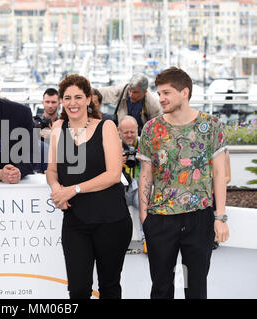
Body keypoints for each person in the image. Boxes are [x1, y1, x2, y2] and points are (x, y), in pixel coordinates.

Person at [137, 67, 229, 299]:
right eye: (159, 93)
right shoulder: (151, 129)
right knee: (161, 288)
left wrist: (220, 217)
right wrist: (144, 216)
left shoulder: (212, 126)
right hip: (160, 219)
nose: (161, 98)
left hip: (199, 217)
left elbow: (220, 174)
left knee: (195, 289)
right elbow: (146, 174)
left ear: (184, 92)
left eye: (166, 92)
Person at [46, 74, 132, 299]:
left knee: (109, 287)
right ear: (62, 101)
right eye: (67, 98)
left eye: (78, 97)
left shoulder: (106, 126)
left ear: (88, 99)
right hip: (76, 222)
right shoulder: (58, 128)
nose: (72, 102)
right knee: (78, 290)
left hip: (111, 221)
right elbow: (52, 171)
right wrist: (56, 188)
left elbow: (113, 174)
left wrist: (72, 190)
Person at [118, 115, 146, 253]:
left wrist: (144, 160)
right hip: (120, 188)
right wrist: (117, 163)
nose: (129, 135)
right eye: (125, 132)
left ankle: (147, 242)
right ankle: (119, 243)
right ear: (119, 131)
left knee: (145, 205)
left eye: (132, 132)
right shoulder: (113, 146)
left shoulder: (145, 145)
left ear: (137, 130)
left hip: (139, 186)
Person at [33, 88, 60, 173]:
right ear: (42, 103)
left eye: (53, 102)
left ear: (59, 103)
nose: (50, 105)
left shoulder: (65, 122)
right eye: (47, 102)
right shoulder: (34, 122)